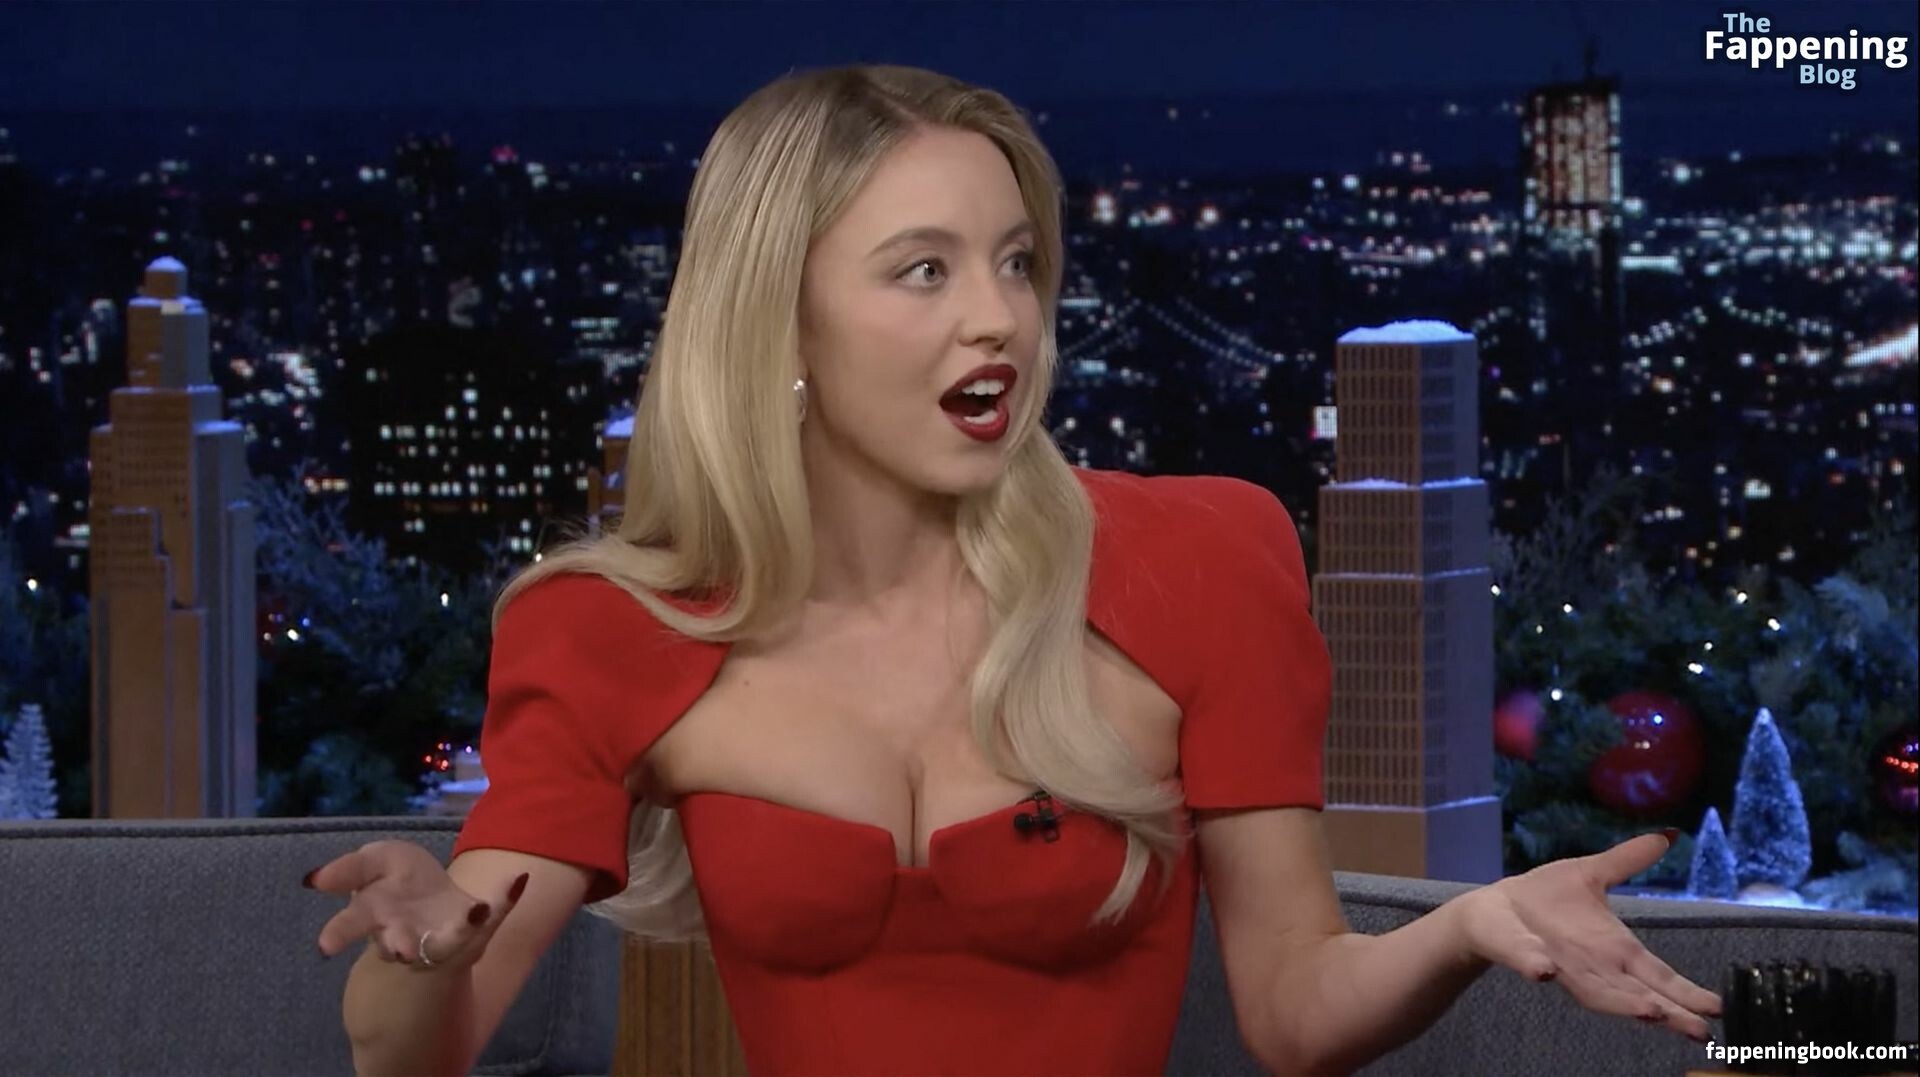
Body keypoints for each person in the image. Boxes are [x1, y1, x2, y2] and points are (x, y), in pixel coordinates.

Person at [306, 63, 1722, 1076]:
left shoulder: (1197, 561)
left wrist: (1471, 923)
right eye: (924, 270)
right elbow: (418, 1045)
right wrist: (418, 952)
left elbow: (1297, 1009)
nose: (1000, 319)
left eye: (1017, 262)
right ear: (780, 321)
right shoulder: (612, 627)